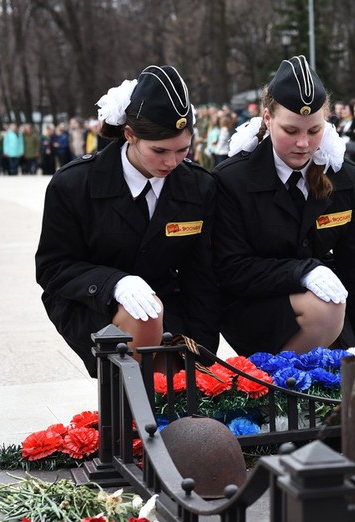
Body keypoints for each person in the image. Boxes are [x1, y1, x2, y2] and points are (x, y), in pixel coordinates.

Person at [35, 65, 220, 376]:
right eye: (159, 151)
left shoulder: (199, 186)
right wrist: (114, 284)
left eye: (183, 150)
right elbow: (53, 268)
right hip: (91, 305)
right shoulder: (73, 185)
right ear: (130, 135)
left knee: (177, 386)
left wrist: (201, 356)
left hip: (171, 308)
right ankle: (125, 414)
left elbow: (202, 276)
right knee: (144, 322)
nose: (172, 162)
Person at [214, 55, 355, 355]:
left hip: (325, 309)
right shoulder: (233, 180)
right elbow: (230, 269)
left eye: (314, 130)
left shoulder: (346, 180)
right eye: (290, 131)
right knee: (324, 312)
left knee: (345, 373)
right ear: (268, 119)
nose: (303, 143)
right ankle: (276, 385)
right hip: (254, 306)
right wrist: (302, 271)